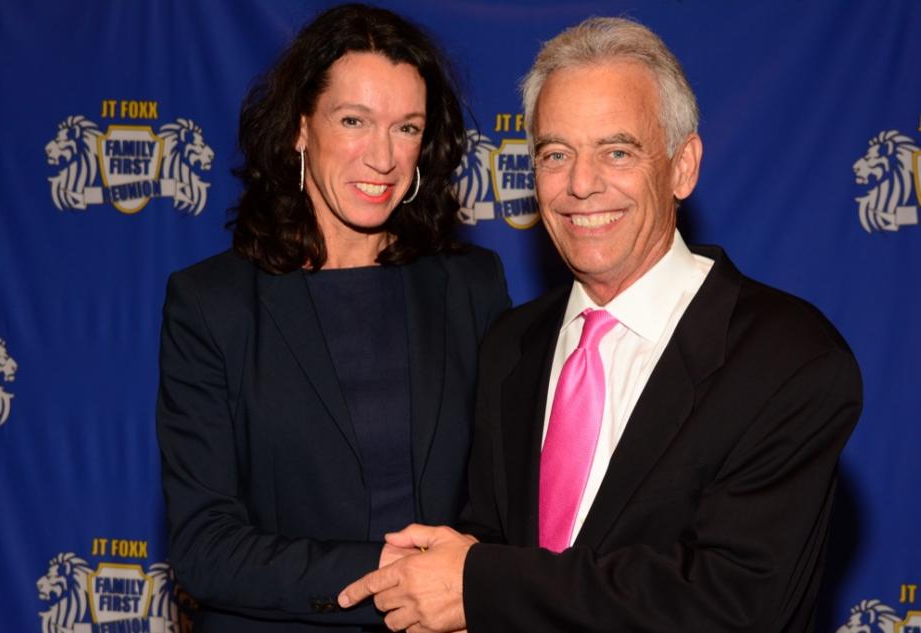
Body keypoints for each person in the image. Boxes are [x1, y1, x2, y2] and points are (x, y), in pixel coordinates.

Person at [338, 16, 861, 632]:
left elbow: (733, 603)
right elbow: (491, 543)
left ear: (683, 166)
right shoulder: (512, 344)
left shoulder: (788, 358)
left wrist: (480, 584)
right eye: (556, 154)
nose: (581, 185)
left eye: (617, 152)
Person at [155, 4, 509, 632]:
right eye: (354, 121)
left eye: (406, 128)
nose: (383, 157)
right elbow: (204, 548)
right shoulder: (212, 304)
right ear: (300, 128)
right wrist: (388, 572)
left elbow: (505, 500)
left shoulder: (472, 285)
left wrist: (471, 582)